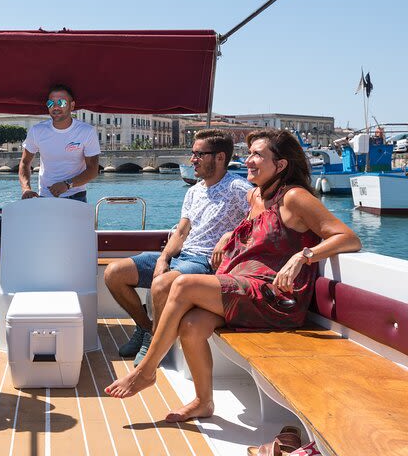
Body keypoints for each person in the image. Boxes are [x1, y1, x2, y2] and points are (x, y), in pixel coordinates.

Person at [105, 129, 362, 424]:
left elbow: (348, 237)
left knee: (183, 284)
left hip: (273, 295)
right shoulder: (255, 195)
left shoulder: (294, 197)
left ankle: (145, 371)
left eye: (257, 155)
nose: (248, 160)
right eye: (249, 153)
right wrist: (230, 233)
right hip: (243, 287)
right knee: (191, 325)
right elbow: (249, 226)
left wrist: (302, 256)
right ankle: (204, 401)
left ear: (280, 166)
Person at [105, 129, 253, 366]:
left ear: (220, 157)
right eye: (192, 153)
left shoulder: (238, 187)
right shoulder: (194, 191)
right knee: (114, 273)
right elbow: (182, 232)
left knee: (161, 284)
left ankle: (153, 342)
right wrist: (164, 258)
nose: (192, 160)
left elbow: (263, 215)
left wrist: (230, 235)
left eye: (199, 154)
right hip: (181, 255)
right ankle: (146, 328)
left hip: (204, 262)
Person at [19, 84, 100, 203]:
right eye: (51, 103)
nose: (55, 107)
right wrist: (26, 189)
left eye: (61, 103)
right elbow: (25, 162)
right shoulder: (37, 131)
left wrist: (67, 184)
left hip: (76, 197)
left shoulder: (87, 131)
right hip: (45, 197)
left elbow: (93, 170)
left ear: (72, 105)